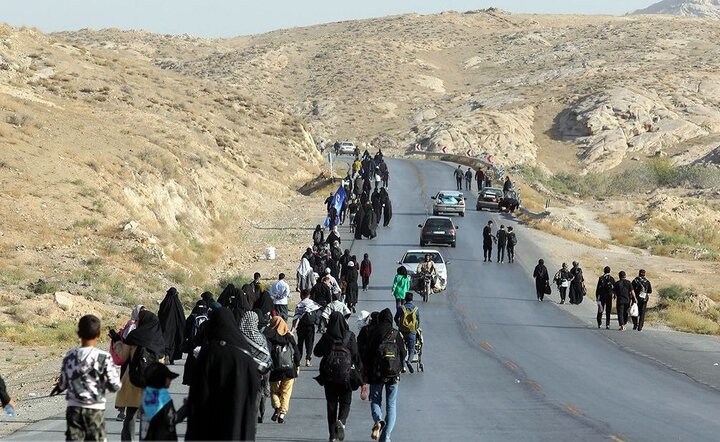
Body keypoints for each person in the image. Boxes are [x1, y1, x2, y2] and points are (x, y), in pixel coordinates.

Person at [186, 308, 260, 440]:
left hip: (208, 422)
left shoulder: (208, 354)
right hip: (236, 420)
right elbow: (254, 386)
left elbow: (197, 388)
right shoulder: (244, 355)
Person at [56, 315, 121, 442]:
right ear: (98, 334)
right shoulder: (103, 357)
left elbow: (63, 383)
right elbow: (115, 385)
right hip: (94, 409)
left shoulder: (69, 356)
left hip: (74, 409)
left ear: (78, 333)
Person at [113, 310, 166, 442]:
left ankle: (128, 440)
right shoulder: (159, 339)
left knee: (131, 414)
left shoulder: (134, 336)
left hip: (133, 380)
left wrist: (117, 342)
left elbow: (123, 356)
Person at [314, 311, 362, 442]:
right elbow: (356, 355)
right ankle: (341, 421)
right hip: (346, 377)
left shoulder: (327, 336)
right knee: (346, 402)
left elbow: (316, 352)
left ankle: (332, 436)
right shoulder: (350, 336)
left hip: (329, 377)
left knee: (331, 405)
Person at [360, 308, 405, 442]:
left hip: (376, 374)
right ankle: (386, 437)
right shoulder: (396, 334)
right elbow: (403, 353)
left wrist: (365, 372)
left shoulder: (373, 332)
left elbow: (366, 354)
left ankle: (378, 420)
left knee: (376, 401)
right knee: (391, 405)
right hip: (393, 374)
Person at [264, 317, 301, 424]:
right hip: (290, 369)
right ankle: (282, 414)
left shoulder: (269, 336)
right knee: (286, 392)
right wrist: (297, 365)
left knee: (274, 391)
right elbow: (296, 352)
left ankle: (276, 407)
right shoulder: (289, 336)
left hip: (275, 369)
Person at [238, 311, 273, 424]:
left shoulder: (239, 337)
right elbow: (266, 353)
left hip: (247, 370)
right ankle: (261, 412)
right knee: (261, 390)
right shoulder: (260, 336)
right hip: (264, 369)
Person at [139, 363, 179, 441]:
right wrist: (186, 408)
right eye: (168, 378)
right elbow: (172, 419)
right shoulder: (163, 398)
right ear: (160, 379)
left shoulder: (147, 394)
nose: (170, 380)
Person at [181, 300, 209, 386]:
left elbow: (186, 330)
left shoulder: (192, 317)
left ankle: (190, 380)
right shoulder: (207, 317)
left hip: (193, 343)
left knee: (191, 363)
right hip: (204, 344)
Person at [292, 290, 322, 367]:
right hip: (310, 326)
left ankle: (298, 360)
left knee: (300, 343)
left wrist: (293, 327)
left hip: (301, 326)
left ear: (302, 295)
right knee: (309, 344)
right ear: (309, 295)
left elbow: (296, 317)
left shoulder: (300, 304)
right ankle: (308, 360)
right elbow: (320, 312)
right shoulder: (313, 304)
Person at [158, 287, 185, 365]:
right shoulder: (178, 305)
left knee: (166, 341)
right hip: (176, 328)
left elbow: (160, 314)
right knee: (175, 342)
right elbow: (182, 318)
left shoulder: (164, 303)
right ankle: (172, 359)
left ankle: (166, 355)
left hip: (165, 327)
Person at [395, 292, 420, 374]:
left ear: (405, 298)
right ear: (412, 299)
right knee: (411, 349)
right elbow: (418, 320)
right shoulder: (416, 309)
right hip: (412, 332)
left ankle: (403, 367)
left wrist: (398, 324)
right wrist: (416, 328)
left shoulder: (401, 308)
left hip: (402, 331)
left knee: (401, 349)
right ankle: (409, 361)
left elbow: (396, 318)